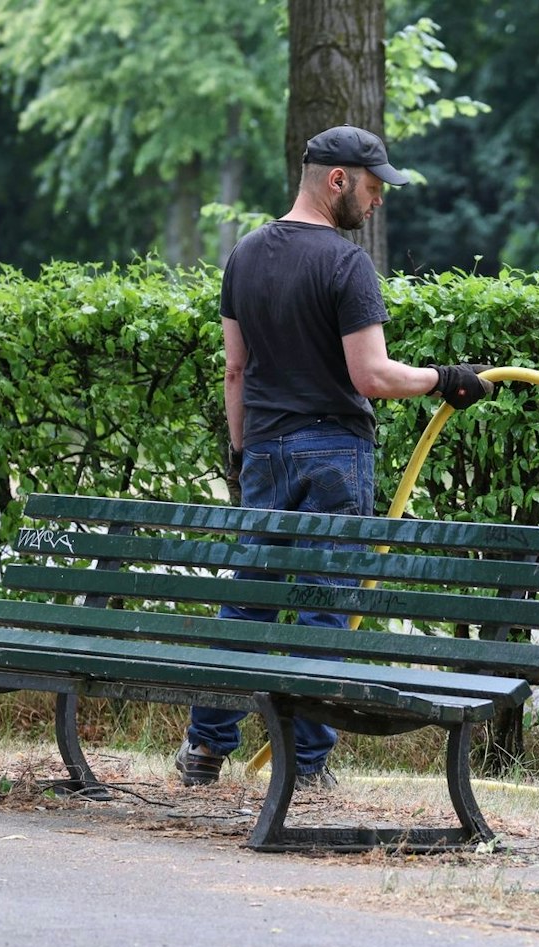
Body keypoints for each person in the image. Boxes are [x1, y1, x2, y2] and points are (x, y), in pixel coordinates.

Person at [177, 124, 492, 789]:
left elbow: (235, 371)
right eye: (373, 187)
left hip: (264, 449)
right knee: (324, 606)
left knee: (249, 601)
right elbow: (371, 376)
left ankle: (205, 748)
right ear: (338, 179)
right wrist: (445, 379)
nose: (377, 201)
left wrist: (243, 452)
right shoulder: (347, 265)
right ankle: (304, 765)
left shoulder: (244, 255)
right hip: (333, 454)